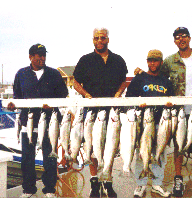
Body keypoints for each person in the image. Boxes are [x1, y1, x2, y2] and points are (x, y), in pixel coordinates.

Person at [135, 27, 192, 197]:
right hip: (179, 112)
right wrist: (142, 74)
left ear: (189, 38)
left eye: (184, 36)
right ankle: (178, 178)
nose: (181, 39)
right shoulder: (170, 61)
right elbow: (157, 78)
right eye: (178, 37)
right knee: (178, 146)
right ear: (174, 41)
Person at [73, 27, 128, 198]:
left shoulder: (118, 60)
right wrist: (86, 95)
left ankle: (108, 181)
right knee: (92, 145)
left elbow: (124, 81)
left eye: (102, 38)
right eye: (96, 38)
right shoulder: (85, 60)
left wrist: (119, 93)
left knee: (110, 146)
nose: (99, 41)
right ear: (92, 40)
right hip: (91, 112)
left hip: (112, 112)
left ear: (108, 39)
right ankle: (95, 182)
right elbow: (75, 83)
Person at [8, 43, 68, 198]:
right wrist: (12, 105)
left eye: (44, 55)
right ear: (30, 57)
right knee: (27, 159)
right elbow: (17, 97)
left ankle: (49, 190)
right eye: (38, 55)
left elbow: (63, 95)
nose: (42, 58)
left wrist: (52, 105)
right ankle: (28, 189)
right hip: (28, 124)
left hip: (50, 124)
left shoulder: (54, 74)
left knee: (50, 158)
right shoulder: (21, 74)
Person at [126, 50, 173, 198]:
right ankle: (141, 185)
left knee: (160, 155)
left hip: (161, 124)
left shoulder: (166, 81)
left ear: (161, 62)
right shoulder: (139, 79)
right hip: (143, 124)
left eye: (156, 60)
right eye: (150, 60)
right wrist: (137, 105)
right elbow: (128, 99)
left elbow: (173, 100)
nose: (152, 63)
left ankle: (157, 184)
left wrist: (171, 105)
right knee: (142, 154)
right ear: (147, 61)